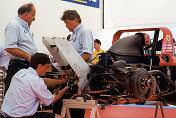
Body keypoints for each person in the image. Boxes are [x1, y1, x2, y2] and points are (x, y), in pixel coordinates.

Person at [1, 53, 67, 118]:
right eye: (47, 66)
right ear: (40, 66)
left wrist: (61, 82)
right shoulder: (36, 81)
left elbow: (43, 81)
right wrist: (66, 88)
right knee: (59, 117)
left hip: (7, 114)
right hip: (21, 116)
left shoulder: (21, 72)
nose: (49, 69)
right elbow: (50, 101)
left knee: (47, 112)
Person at [4, 3, 37, 93]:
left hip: (24, 66)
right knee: (15, 95)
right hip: (18, 67)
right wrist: (27, 56)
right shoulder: (14, 26)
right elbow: (9, 48)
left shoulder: (24, 27)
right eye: (33, 15)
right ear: (26, 14)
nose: (34, 18)